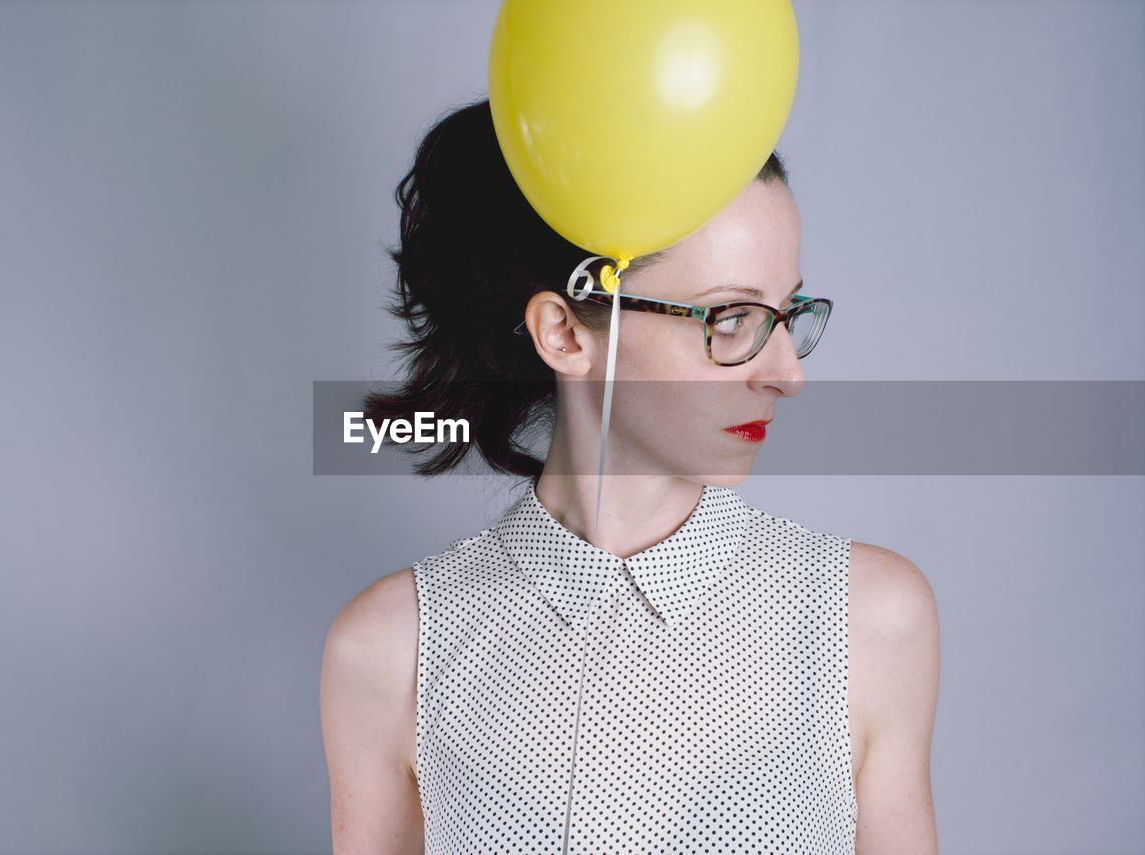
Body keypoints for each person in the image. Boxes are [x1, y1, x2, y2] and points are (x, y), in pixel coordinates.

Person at [320, 96, 939, 854]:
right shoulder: (388, 649)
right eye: (730, 319)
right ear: (564, 332)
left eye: (787, 313)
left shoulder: (868, 619)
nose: (785, 373)